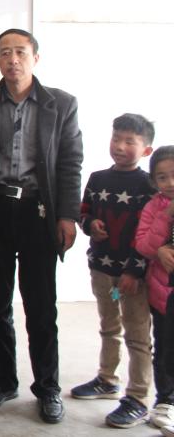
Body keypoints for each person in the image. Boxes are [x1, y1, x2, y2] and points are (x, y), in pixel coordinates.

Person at [0, 28, 83, 424]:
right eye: (5, 52)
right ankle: (3, 381)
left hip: (39, 212)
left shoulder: (61, 103)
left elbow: (70, 163)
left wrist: (68, 215)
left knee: (41, 307)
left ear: (35, 58)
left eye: (21, 52)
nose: (13, 59)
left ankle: (47, 387)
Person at [70, 114, 156, 427]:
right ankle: (107, 379)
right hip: (102, 269)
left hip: (134, 276)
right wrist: (90, 224)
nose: (119, 146)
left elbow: (152, 234)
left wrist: (134, 271)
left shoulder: (149, 186)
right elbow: (83, 213)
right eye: (116, 138)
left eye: (129, 141)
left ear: (146, 150)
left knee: (137, 335)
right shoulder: (97, 179)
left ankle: (138, 397)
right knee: (109, 326)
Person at [134, 146, 174, 434]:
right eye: (162, 177)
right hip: (163, 294)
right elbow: (143, 245)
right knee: (165, 348)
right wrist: (165, 217)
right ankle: (165, 401)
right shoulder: (153, 207)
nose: (170, 182)